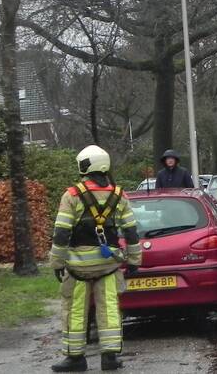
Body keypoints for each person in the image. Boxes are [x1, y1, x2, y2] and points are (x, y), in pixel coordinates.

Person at [50, 145, 141, 372]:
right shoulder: (119, 195)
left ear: (84, 166)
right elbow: (130, 231)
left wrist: (57, 262)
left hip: (78, 268)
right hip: (108, 266)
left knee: (75, 309)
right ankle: (109, 358)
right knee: (109, 308)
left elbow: (61, 233)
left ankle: (75, 358)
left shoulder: (71, 195)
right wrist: (134, 261)